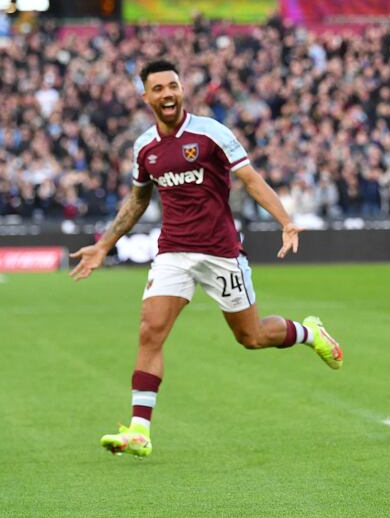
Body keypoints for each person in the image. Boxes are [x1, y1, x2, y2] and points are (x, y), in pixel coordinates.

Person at [70, 60, 343, 458]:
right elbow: (138, 199)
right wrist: (104, 243)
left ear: (182, 90)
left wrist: (285, 220)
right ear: (146, 97)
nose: (167, 94)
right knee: (150, 332)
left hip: (221, 253)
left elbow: (250, 179)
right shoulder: (144, 147)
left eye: (173, 86)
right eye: (158, 88)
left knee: (250, 337)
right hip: (173, 253)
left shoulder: (211, 133)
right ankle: (139, 430)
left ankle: (310, 333)